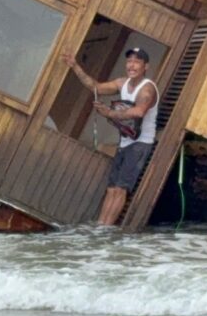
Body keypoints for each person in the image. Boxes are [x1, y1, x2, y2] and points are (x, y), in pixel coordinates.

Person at [62, 47, 159, 225]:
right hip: (125, 140)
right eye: (129, 61)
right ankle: (101, 225)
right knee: (112, 188)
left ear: (146, 66)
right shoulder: (122, 83)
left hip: (140, 144)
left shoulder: (147, 89)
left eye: (137, 62)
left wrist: (109, 113)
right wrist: (75, 66)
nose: (132, 65)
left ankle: (107, 228)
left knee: (121, 188)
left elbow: (138, 112)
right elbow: (96, 87)